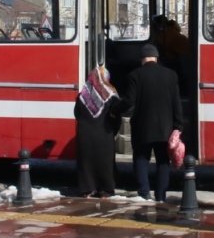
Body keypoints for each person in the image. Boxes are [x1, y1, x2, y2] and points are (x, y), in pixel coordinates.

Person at [126, 44, 184, 202]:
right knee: (163, 160)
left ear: (142, 59)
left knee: (141, 158)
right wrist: (178, 125)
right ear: (156, 58)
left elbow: (129, 102)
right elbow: (176, 102)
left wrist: (117, 109)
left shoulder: (135, 75)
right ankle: (161, 195)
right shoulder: (171, 75)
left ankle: (144, 193)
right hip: (165, 127)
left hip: (142, 127)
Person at [74, 65, 121, 197]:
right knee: (105, 164)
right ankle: (105, 190)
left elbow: (77, 114)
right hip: (104, 134)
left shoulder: (82, 95)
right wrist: (113, 130)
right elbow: (117, 117)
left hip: (85, 135)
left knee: (86, 163)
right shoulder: (111, 95)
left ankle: (87, 189)